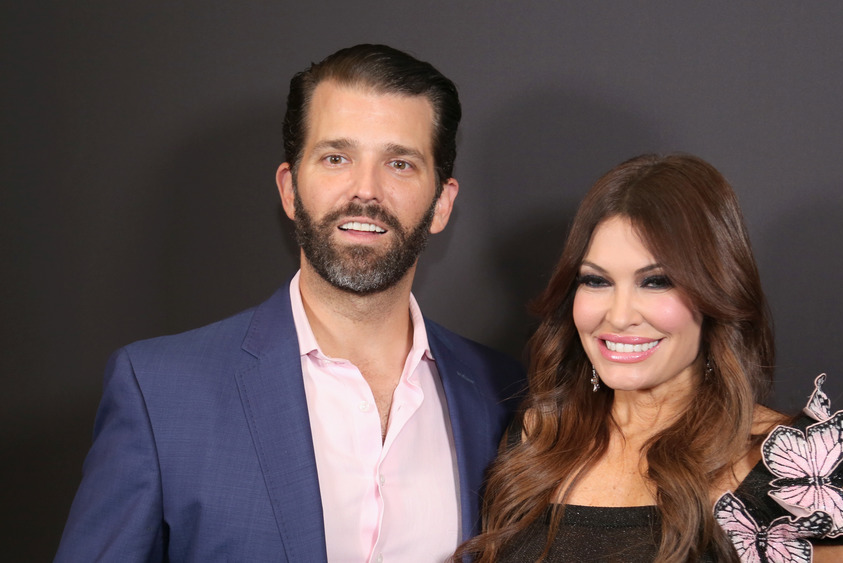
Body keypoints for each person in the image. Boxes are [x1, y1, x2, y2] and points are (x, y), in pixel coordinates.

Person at [56, 44, 524, 562]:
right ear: (289, 189)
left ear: (441, 204)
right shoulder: (160, 394)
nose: (365, 191)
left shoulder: (505, 397)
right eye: (336, 158)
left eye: (399, 163)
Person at [457, 154, 843, 562]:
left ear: (716, 292)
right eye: (596, 281)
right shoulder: (534, 439)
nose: (618, 316)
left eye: (656, 282)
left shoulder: (797, 467)